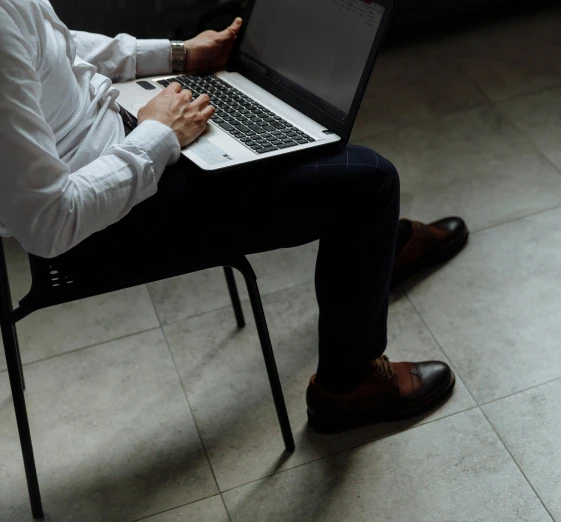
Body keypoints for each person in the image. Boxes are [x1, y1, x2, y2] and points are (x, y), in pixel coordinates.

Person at [0, 0, 468, 433]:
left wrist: (179, 55)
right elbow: (48, 222)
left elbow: (54, 50)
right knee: (371, 182)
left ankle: (372, 252)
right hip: (108, 223)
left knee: (296, 131)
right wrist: (159, 134)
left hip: (129, 134)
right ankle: (348, 386)